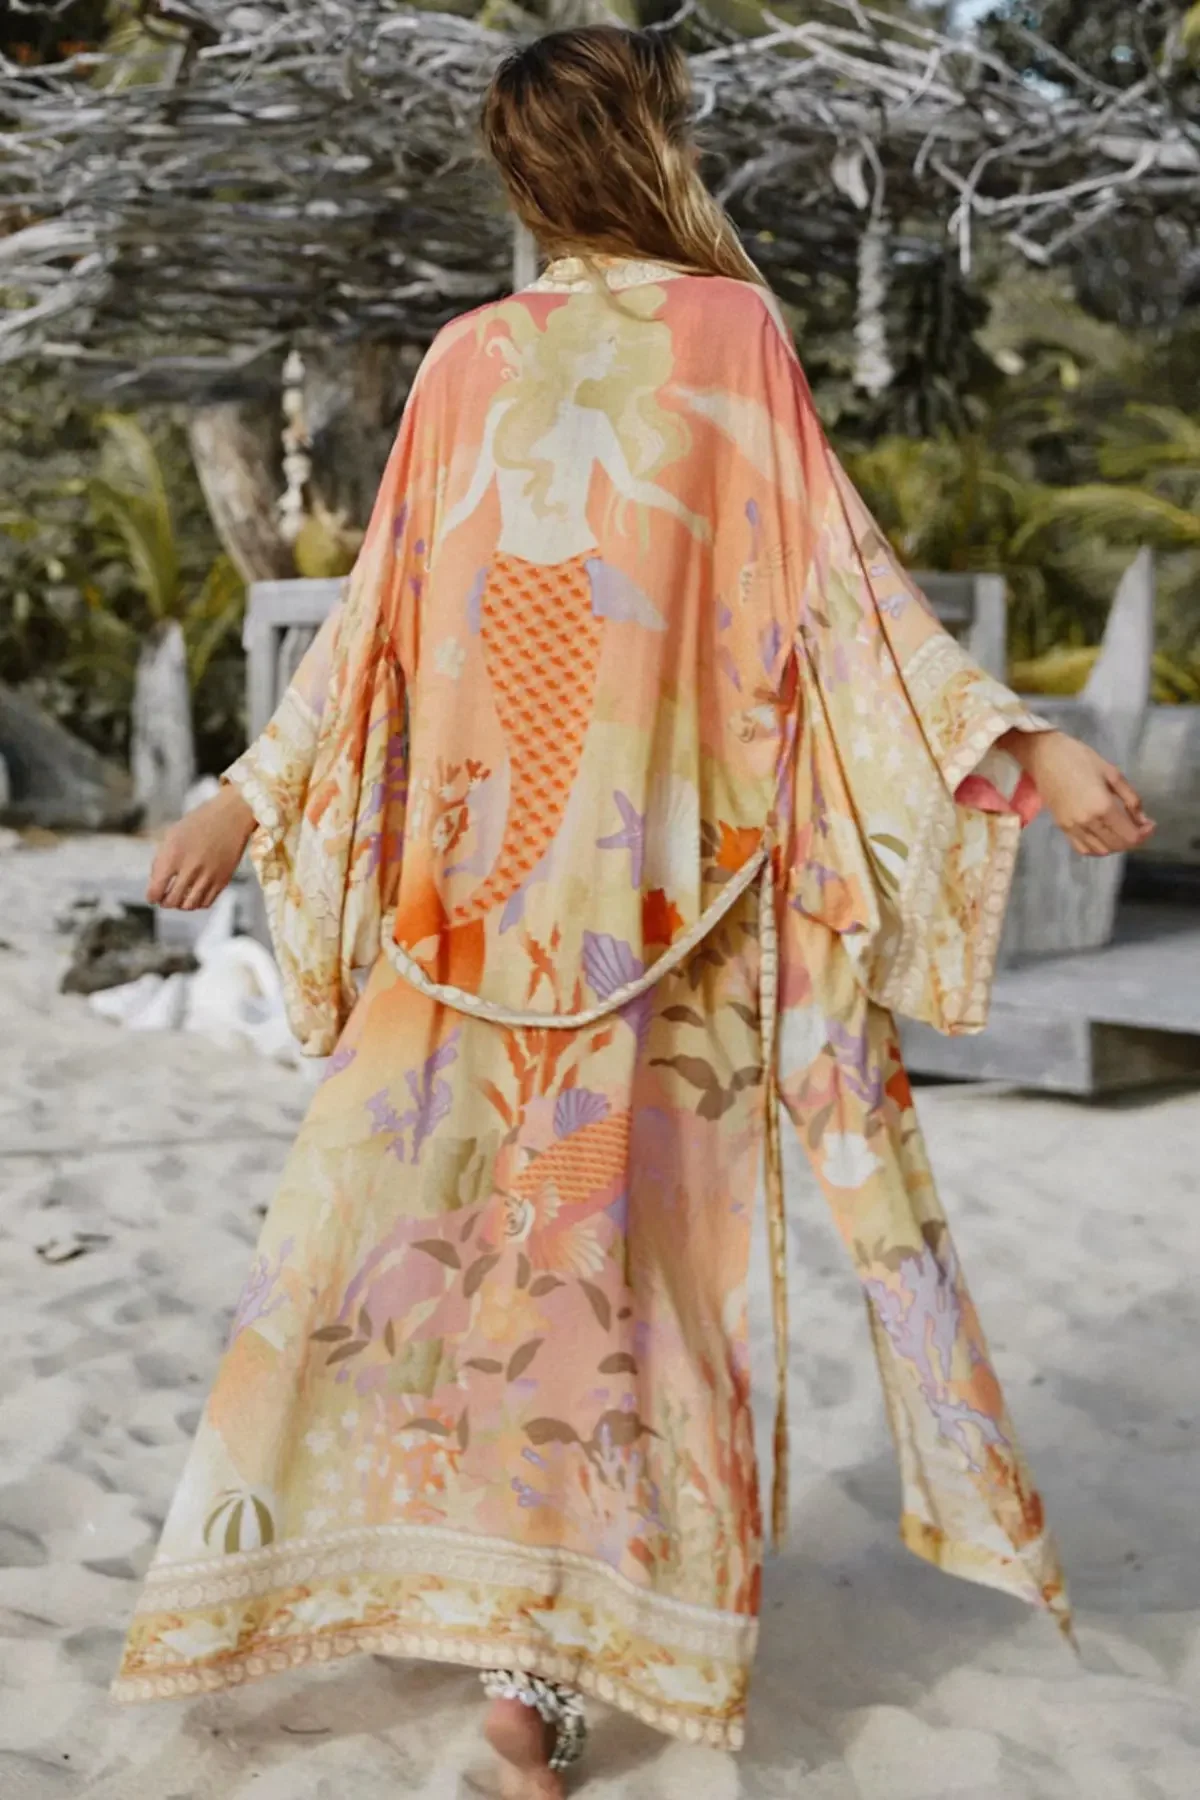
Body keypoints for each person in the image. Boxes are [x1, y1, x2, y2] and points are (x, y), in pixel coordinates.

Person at [112, 26, 1154, 1796]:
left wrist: (245, 792)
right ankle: (535, 1655)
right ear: (649, 143)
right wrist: (1020, 747)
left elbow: (375, 625)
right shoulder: (692, 339)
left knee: (417, 1250)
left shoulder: (499, 355)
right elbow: (841, 598)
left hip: (493, 909)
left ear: (525, 170)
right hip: (661, 906)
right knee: (615, 1276)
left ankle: (519, 1648)